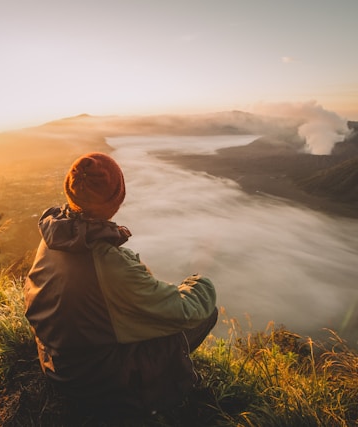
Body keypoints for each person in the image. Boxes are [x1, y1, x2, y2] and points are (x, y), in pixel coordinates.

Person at [24, 151, 218, 416]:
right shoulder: (108, 263)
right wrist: (199, 281)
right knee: (202, 314)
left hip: (57, 365)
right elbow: (186, 311)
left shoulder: (55, 236)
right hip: (94, 384)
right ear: (117, 199)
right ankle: (182, 393)